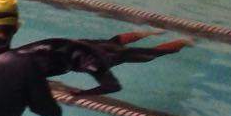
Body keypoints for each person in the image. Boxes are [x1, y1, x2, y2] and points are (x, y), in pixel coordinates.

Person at [15, 31, 191, 96]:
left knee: (151, 54)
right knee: (115, 41)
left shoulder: (95, 64)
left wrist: (83, 93)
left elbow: (113, 87)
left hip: (106, 54)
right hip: (82, 45)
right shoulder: (26, 57)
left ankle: (184, 42)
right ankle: (151, 32)